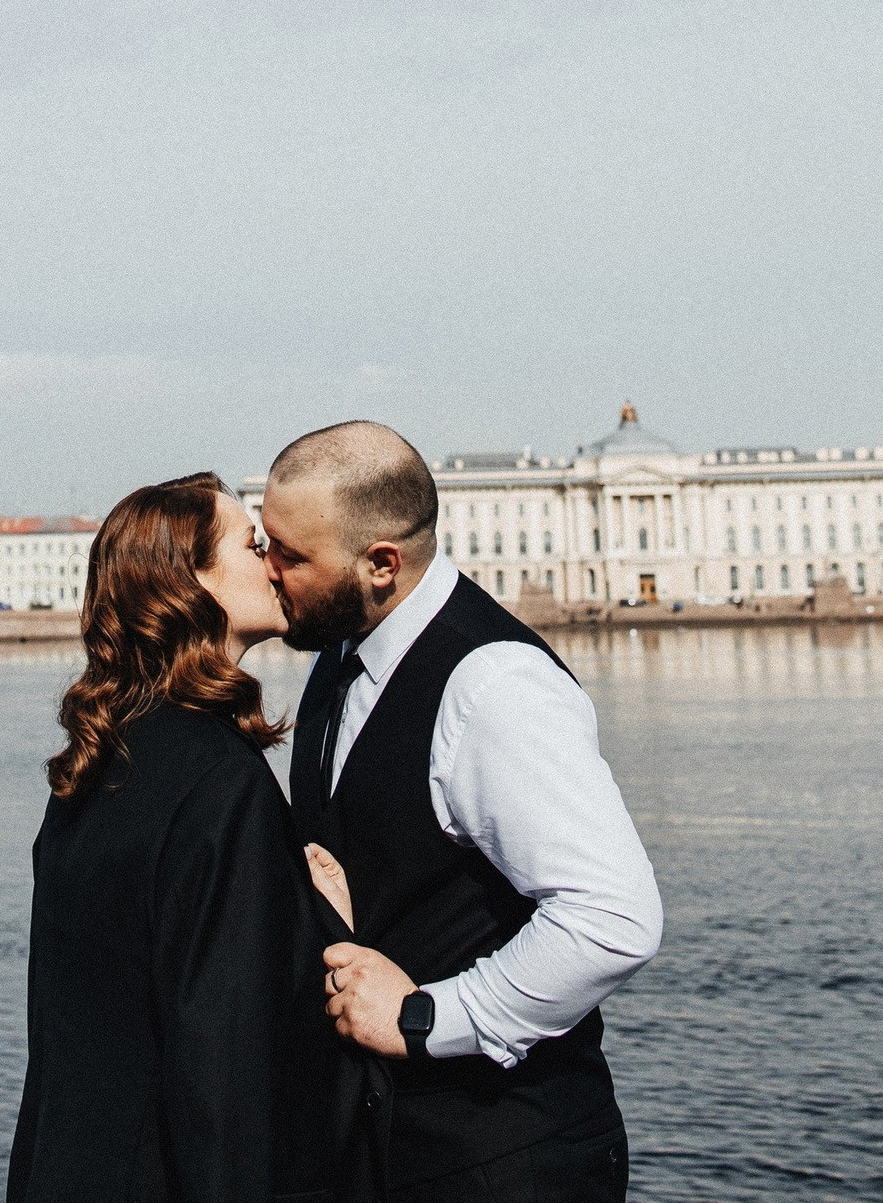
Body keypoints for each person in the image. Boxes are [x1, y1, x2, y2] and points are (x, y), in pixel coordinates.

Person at [261, 422, 663, 1203]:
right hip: (395, 1150)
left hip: (503, 1161)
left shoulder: (494, 685)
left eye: (291, 555)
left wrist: (424, 1018)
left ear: (382, 564)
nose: (269, 572)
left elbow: (614, 918)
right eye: (265, 543)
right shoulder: (343, 653)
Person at [6, 471, 366, 1203]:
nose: (276, 562)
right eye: (252, 544)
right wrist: (327, 925)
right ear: (188, 584)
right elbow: (234, 1066)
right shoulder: (219, 781)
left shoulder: (93, 768)